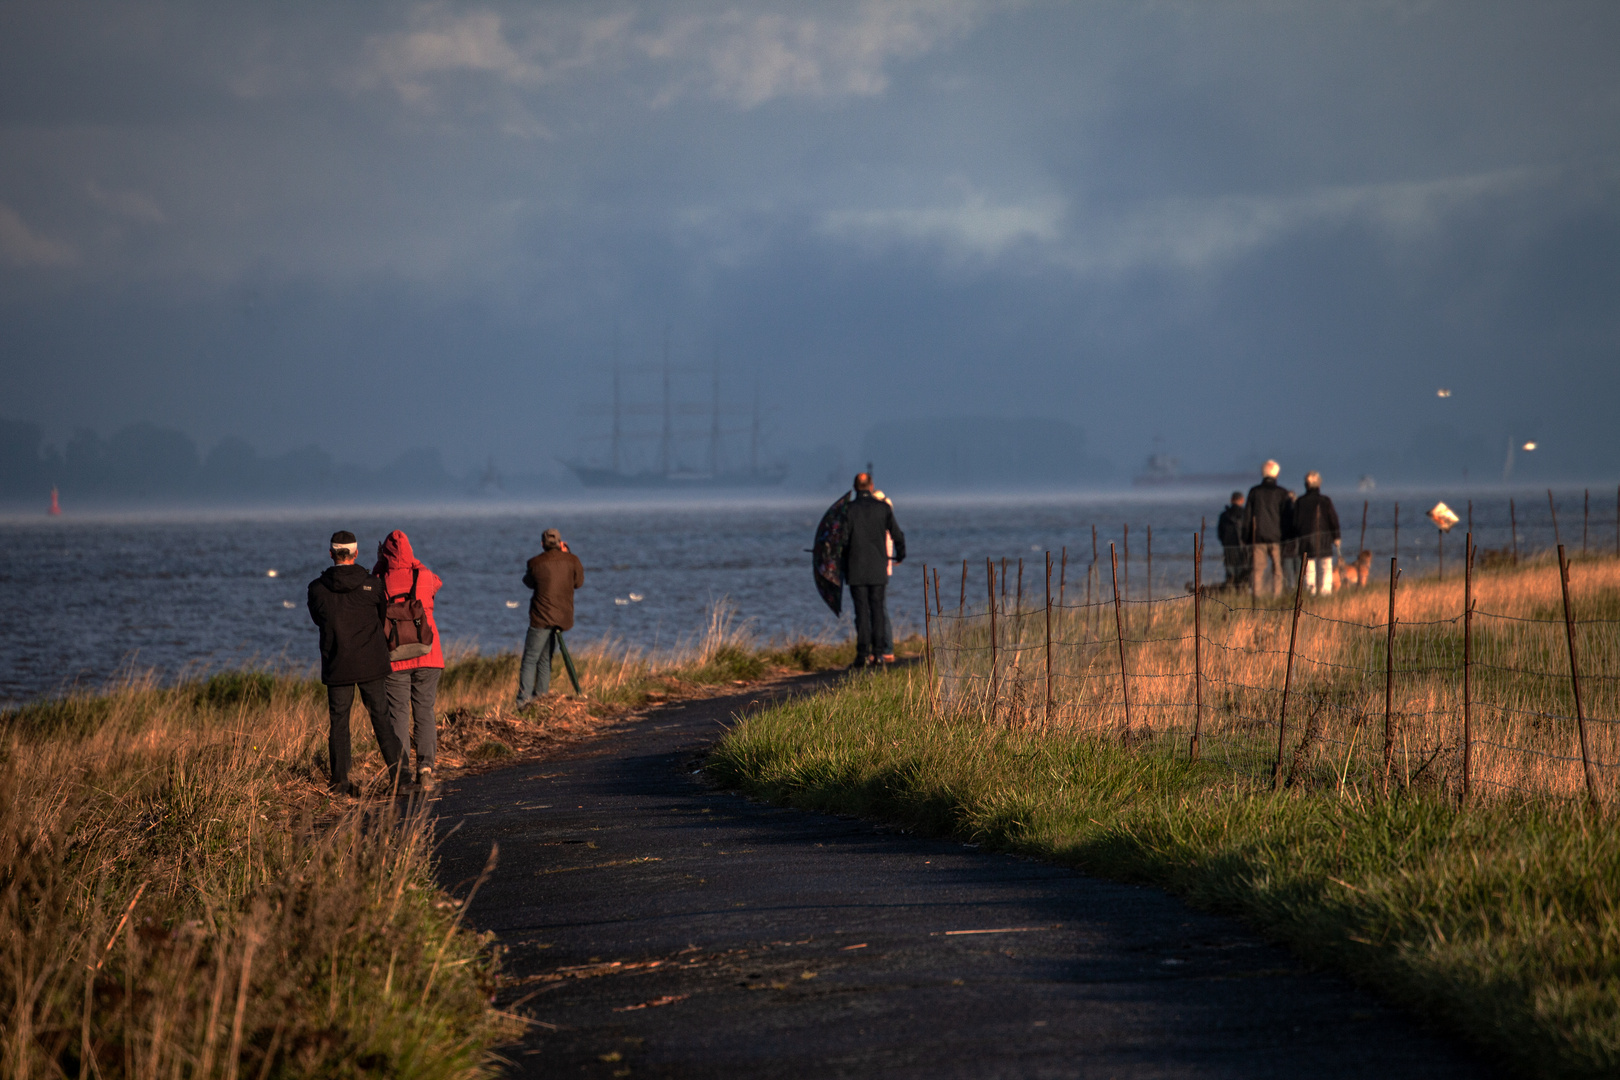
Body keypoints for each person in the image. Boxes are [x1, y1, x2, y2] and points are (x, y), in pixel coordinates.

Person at [307, 530, 404, 796]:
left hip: (337, 662)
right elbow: (381, 616)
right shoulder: (373, 585)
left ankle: (340, 784)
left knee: (339, 722)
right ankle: (401, 779)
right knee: (381, 718)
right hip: (371, 662)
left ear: (331, 554)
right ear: (355, 553)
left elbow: (318, 619)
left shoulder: (316, 588)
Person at [373, 530, 444, 793]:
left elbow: (372, 593)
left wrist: (381, 563)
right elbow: (437, 582)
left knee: (398, 715)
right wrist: (415, 564)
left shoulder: (378, 580)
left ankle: (401, 775)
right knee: (425, 711)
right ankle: (425, 771)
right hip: (428, 653)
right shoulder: (423, 576)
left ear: (385, 554)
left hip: (394, 657)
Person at [517, 528, 584, 706]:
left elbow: (528, 582)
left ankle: (523, 702)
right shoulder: (573, 560)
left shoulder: (535, 563)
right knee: (546, 658)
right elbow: (578, 583)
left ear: (542, 544)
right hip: (562, 617)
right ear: (561, 543)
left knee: (530, 658)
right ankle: (542, 699)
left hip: (540, 618)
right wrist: (567, 554)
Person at [844, 472, 905, 666]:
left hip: (855, 569)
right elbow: (897, 534)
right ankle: (879, 653)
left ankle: (862, 654)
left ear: (855, 488)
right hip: (878, 568)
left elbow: (842, 541)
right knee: (877, 609)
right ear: (871, 486)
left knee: (861, 611)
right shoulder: (884, 508)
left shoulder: (848, 510)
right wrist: (900, 555)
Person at [1244, 460, 1292, 597]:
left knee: (1257, 569)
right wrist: (1288, 536)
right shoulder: (1282, 493)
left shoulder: (1254, 492)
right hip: (1277, 537)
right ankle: (1276, 595)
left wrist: (1247, 536)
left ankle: (1256, 596)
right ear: (1277, 473)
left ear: (1262, 473)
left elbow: (1247, 516)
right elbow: (1287, 517)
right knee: (1277, 568)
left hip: (1257, 537)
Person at [1292, 471, 1342, 596]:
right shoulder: (1325, 501)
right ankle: (1325, 592)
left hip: (1306, 539)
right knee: (1326, 567)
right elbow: (1333, 520)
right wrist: (1336, 537)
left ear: (1306, 485)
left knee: (1309, 569)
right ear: (1319, 484)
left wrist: (1298, 535)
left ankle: (1310, 592)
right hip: (1324, 539)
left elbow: (1295, 523)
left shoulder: (1300, 502)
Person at [1216, 491, 1248, 587]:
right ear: (1242, 500)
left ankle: (1230, 589)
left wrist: (1224, 542)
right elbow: (1249, 530)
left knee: (1230, 571)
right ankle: (1241, 589)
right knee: (1242, 570)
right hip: (1242, 546)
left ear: (1231, 500)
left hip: (1228, 546)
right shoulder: (1245, 514)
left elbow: (1220, 533)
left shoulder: (1224, 515)